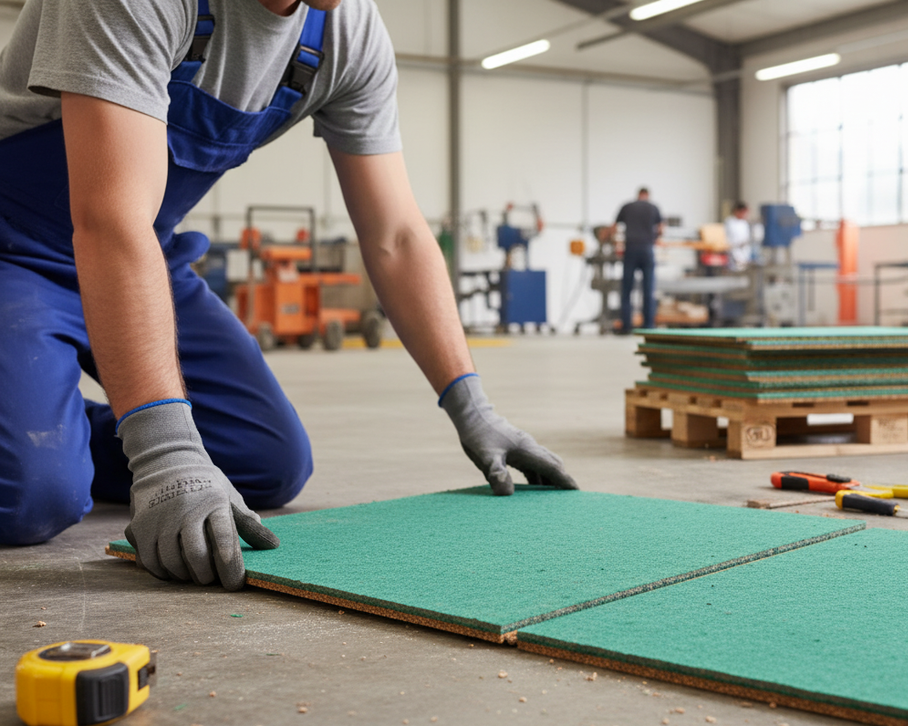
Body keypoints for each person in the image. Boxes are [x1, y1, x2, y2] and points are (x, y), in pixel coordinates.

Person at [0, 0, 576, 591]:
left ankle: (49, 428)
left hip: (147, 249)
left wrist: (472, 405)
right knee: (29, 496)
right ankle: (38, 441)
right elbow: (109, 219)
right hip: (15, 249)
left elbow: (396, 236)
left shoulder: (344, 31)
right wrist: (163, 452)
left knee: (261, 459)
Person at [611, 188, 664, 333]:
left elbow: (614, 228)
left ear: (638, 195)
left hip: (631, 249)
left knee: (627, 289)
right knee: (648, 289)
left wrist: (616, 244)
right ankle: (648, 325)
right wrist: (654, 239)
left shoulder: (627, 206)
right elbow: (661, 229)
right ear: (647, 196)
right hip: (647, 250)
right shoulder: (653, 207)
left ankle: (626, 326)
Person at [723, 201, 753, 270]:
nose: (745, 215)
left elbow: (746, 238)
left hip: (744, 251)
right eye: (743, 212)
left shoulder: (744, 223)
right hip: (733, 251)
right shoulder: (729, 222)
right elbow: (728, 238)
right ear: (737, 211)